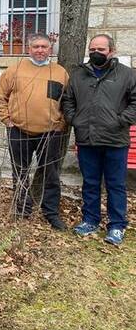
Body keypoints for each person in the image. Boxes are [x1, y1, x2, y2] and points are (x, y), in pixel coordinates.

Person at [63, 34, 136, 245]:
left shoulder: (127, 74)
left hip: (115, 140)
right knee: (90, 183)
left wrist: (120, 121)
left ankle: (117, 225)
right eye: (92, 49)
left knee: (116, 185)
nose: (96, 53)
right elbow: (68, 100)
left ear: (111, 51)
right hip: (87, 139)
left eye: (101, 49)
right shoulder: (78, 75)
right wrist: (74, 119)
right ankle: (90, 220)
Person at [0, 33, 69, 230]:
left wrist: (61, 124)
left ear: (50, 49)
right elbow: (0, 96)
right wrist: (7, 120)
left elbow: (68, 101)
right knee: (20, 173)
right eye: (36, 46)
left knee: (50, 175)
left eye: (44, 46)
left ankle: (51, 213)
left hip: (50, 133)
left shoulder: (60, 72)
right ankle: (22, 210)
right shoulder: (15, 70)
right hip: (19, 131)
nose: (40, 50)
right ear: (29, 49)